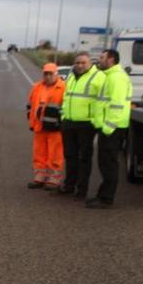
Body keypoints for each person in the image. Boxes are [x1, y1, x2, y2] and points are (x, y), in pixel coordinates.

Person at [55, 51, 105, 199]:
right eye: (77, 63)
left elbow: (102, 101)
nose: (80, 65)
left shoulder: (99, 77)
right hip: (69, 122)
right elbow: (66, 98)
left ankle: (81, 190)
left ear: (90, 63)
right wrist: (63, 116)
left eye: (83, 63)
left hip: (86, 124)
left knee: (84, 158)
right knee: (70, 156)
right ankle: (69, 186)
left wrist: (97, 120)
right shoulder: (71, 76)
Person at [87, 49, 133, 209]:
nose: (99, 60)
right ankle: (103, 195)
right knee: (104, 163)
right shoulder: (110, 76)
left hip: (112, 129)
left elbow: (117, 105)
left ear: (111, 59)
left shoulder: (117, 78)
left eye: (102, 57)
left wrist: (108, 127)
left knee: (109, 164)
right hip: (108, 127)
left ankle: (106, 198)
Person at [26, 63, 66, 189]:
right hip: (39, 126)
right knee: (39, 152)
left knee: (55, 153)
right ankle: (40, 177)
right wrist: (32, 123)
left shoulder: (64, 87)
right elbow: (30, 106)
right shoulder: (37, 87)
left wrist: (62, 124)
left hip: (55, 128)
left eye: (50, 73)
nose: (47, 76)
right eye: (45, 73)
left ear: (56, 74)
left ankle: (54, 179)